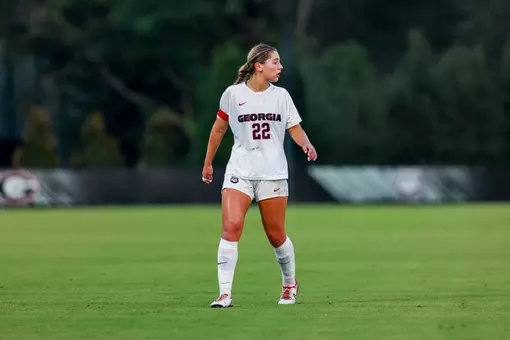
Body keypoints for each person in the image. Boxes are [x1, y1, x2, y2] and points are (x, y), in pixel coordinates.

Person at [201, 43, 317, 308]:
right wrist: (208, 163)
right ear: (258, 65)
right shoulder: (232, 94)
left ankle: (289, 285)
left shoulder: (282, 96)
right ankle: (225, 294)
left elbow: (295, 128)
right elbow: (219, 130)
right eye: (275, 62)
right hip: (239, 170)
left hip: (272, 172)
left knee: (276, 235)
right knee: (231, 228)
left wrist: (306, 144)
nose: (280, 67)